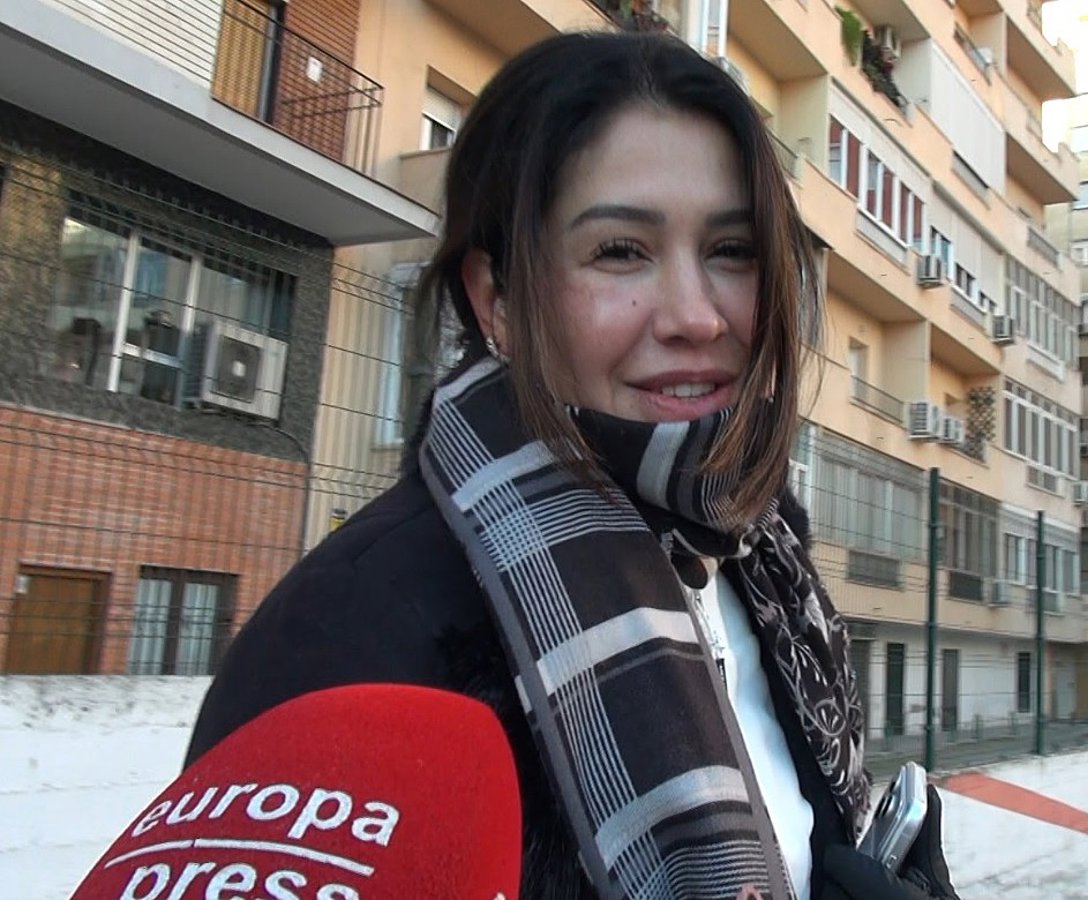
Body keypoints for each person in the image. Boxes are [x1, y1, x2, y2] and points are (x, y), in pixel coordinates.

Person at [186, 31, 960, 900]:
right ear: (499, 300)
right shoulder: (347, 635)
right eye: (620, 251)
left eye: (732, 251)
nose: (696, 316)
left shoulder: (763, 556)